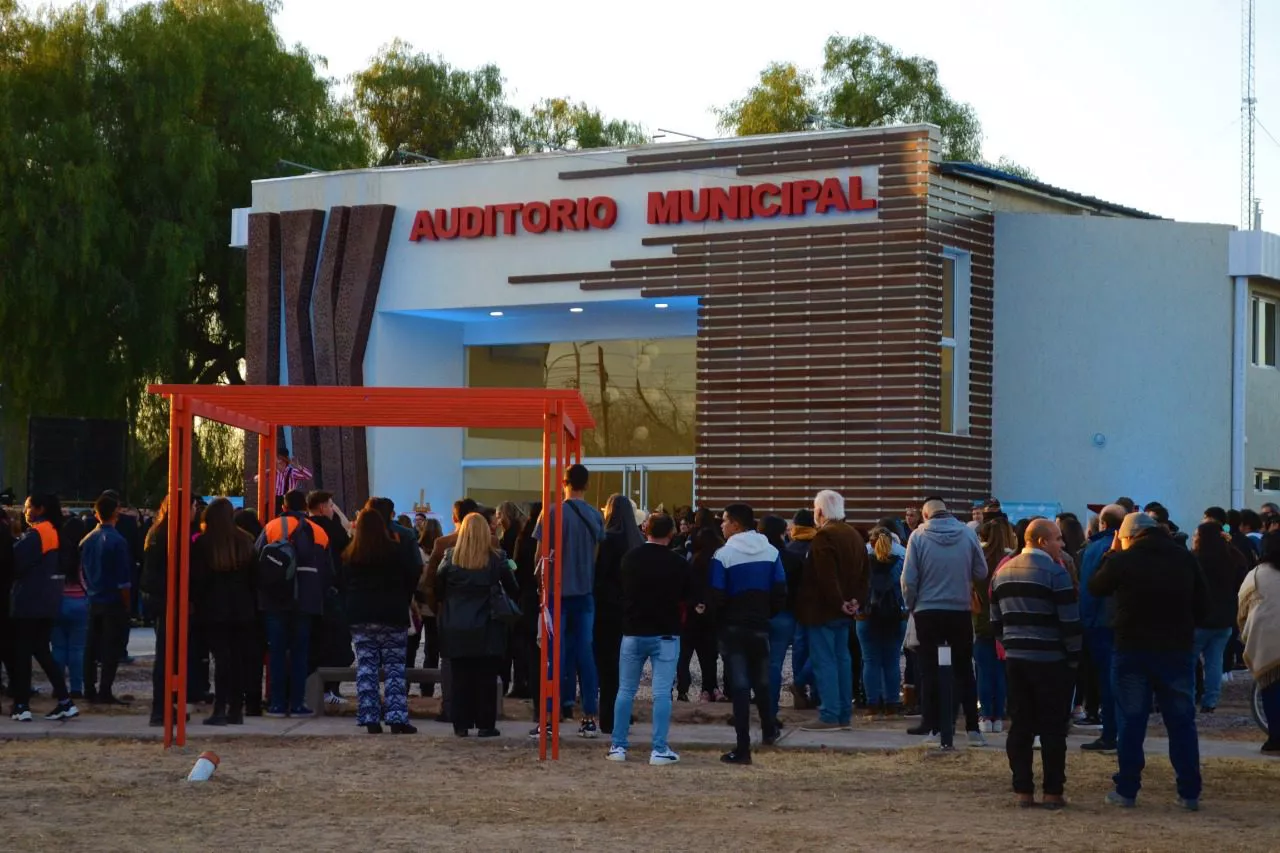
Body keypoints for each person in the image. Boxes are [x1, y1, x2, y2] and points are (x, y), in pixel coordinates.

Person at [1088, 512, 1206, 810]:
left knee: (1131, 720)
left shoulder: (1123, 559)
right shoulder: (1184, 558)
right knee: (1181, 722)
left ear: (1128, 536)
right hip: (1176, 649)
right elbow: (1203, 601)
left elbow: (1095, 587)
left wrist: (1112, 552)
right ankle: (1189, 792)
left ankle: (1127, 789)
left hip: (1132, 648)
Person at [990, 519, 1082, 810]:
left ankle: (1023, 790)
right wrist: (1075, 657)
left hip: (1016, 659)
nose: (1062, 544)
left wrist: (1012, 643)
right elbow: (1070, 621)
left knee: (1021, 725)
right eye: (1057, 539)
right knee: (1053, 727)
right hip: (1051, 660)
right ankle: (1053, 791)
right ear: (1042, 541)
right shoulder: (1056, 573)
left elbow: (995, 621)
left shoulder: (1002, 572)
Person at [901, 498, 987, 745]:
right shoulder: (967, 534)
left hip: (927, 611)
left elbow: (908, 579)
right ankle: (972, 728)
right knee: (964, 670)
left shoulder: (918, 536)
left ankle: (934, 727)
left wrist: (912, 604)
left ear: (926, 515)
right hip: (959, 609)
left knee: (928, 671)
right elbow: (981, 571)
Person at [607, 513, 689, 764]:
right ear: (671, 533)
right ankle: (659, 748)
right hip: (665, 632)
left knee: (626, 690)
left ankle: (618, 746)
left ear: (646, 531)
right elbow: (686, 594)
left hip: (633, 630)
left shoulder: (630, 559)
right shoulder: (677, 562)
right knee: (661, 693)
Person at [709, 503, 786, 765]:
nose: (721, 525)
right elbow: (780, 590)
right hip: (760, 624)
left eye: (725, 520)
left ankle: (743, 748)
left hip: (732, 626)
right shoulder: (771, 551)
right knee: (762, 682)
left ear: (736, 525)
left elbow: (716, 594)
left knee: (740, 686)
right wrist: (766, 613)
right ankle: (769, 729)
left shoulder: (723, 555)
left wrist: (719, 621)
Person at [533, 464, 606, 737]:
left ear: (563, 482)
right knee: (586, 656)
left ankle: (550, 718)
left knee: (553, 655)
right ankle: (588, 717)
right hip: (585, 593)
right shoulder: (595, 515)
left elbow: (539, 557)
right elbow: (597, 553)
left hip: (556, 594)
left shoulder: (550, 513)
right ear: (586, 485)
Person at [435, 513, 518, 738]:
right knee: (486, 677)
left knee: (460, 677)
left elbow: (437, 588)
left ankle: (460, 723)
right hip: (487, 624)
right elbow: (513, 588)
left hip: (456, 624)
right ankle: (485, 723)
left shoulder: (450, 558)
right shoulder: (497, 558)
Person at [254, 489, 335, 718]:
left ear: (284, 507)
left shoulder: (271, 528)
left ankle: (277, 703)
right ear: (304, 508)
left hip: (275, 600)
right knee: (300, 652)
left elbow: (257, 559)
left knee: (277, 652)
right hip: (306, 601)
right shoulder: (318, 531)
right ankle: (298, 703)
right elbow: (327, 571)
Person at [344, 501, 421, 735]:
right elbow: (411, 576)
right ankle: (397, 717)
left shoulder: (351, 554)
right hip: (392, 614)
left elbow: (344, 584)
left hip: (362, 616)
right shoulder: (397, 552)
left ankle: (369, 717)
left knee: (366, 667)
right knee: (395, 668)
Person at [797, 490, 867, 732]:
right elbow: (863, 574)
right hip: (846, 611)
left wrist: (838, 601)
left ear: (818, 512)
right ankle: (844, 713)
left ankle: (829, 714)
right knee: (842, 660)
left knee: (825, 661)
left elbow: (825, 576)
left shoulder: (824, 537)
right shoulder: (855, 535)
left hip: (823, 611)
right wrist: (856, 601)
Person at [10, 494, 78, 721]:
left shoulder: (38, 533)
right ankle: (65, 700)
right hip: (48, 601)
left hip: (29, 601)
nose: (25, 511)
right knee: (41, 651)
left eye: (29, 507)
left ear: (40, 509)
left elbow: (14, 561)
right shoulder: (58, 532)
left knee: (22, 654)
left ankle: (21, 705)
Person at [189, 498, 257, 726]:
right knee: (238, 660)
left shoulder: (203, 544)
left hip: (214, 610)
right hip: (243, 609)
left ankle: (219, 708)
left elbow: (197, 581)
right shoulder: (246, 541)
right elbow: (254, 580)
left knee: (220, 660)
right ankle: (236, 709)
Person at [1077, 503, 1126, 752]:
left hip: (1099, 622)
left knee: (1107, 681)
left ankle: (1110, 734)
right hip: (1122, 623)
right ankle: (1121, 732)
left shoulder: (1094, 549)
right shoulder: (1128, 547)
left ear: (1102, 523)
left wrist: (1084, 622)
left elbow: (1088, 590)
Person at [594, 494, 644, 735]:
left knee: (607, 667)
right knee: (627, 667)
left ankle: (607, 718)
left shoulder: (607, 540)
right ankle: (624, 714)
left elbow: (600, 577)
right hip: (632, 609)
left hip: (607, 610)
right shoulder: (638, 540)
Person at [79, 493, 134, 706]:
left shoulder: (87, 540)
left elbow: (81, 571)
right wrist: (127, 603)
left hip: (93, 598)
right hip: (113, 600)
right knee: (111, 648)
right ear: (115, 512)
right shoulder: (117, 541)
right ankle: (105, 690)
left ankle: (89, 688)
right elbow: (123, 579)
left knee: (91, 647)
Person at [856, 525, 908, 718]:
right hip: (896, 616)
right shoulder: (902, 560)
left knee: (870, 660)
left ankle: (872, 704)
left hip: (867, 616)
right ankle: (892, 703)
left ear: (871, 541)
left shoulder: (862, 560)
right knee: (892, 660)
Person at [1238, 532, 1280, 753]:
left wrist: (1244, 633)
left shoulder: (1257, 574)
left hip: (1268, 641)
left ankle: (1276, 738)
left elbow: (1243, 607)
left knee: (1272, 690)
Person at [759, 515, 802, 729]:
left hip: (759, 614)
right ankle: (771, 712)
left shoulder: (757, 557)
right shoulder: (792, 558)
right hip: (785, 615)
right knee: (775, 664)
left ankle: (755, 706)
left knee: (753, 663)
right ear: (782, 532)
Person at [975, 516, 1016, 733]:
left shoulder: (979, 558)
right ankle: (999, 715)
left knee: (983, 671)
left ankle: (985, 715)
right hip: (1007, 621)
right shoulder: (1011, 559)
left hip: (981, 620)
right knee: (1001, 672)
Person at [677, 523, 724, 703]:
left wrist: (695, 603)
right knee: (709, 655)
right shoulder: (718, 561)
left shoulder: (692, 561)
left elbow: (687, 587)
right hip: (711, 614)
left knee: (685, 655)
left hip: (690, 614)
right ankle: (710, 688)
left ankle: (682, 690)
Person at [49, 512, 88, 701]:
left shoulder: (57, 553)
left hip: (58, 601)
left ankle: (58, 686)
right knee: (77, 649)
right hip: (80, 602)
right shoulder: (82, 552)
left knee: (58, 648)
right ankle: (76, 687)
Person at [784, 509, 818, 710]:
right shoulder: (818, 546)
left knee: (799, 649)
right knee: (819, 649)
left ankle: (801, 690)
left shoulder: (790, 548)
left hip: (795, 607)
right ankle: (810, 689)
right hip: (816, 606)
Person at [411, 516, 444, 699]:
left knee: (411, 647)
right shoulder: (441, 552)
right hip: (433, 606)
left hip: (417, 603)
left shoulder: (417, 550)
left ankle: (406, 686)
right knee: (432, 649)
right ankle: (427, 689)